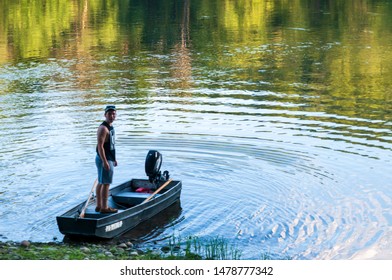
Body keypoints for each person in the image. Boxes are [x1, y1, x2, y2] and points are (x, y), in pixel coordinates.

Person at [95, 105, 118, 213]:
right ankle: (104, 207)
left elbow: (111, 145)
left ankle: (99, 206)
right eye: (109, 114)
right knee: (106, 183)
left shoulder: (110, 127)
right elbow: (100, 146)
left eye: (113, 114)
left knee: (101, 182)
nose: (112, 116)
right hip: (103, 158)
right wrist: (105, 162)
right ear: (105, 115)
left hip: (108, 158)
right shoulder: (103, 128)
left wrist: (114, 159)